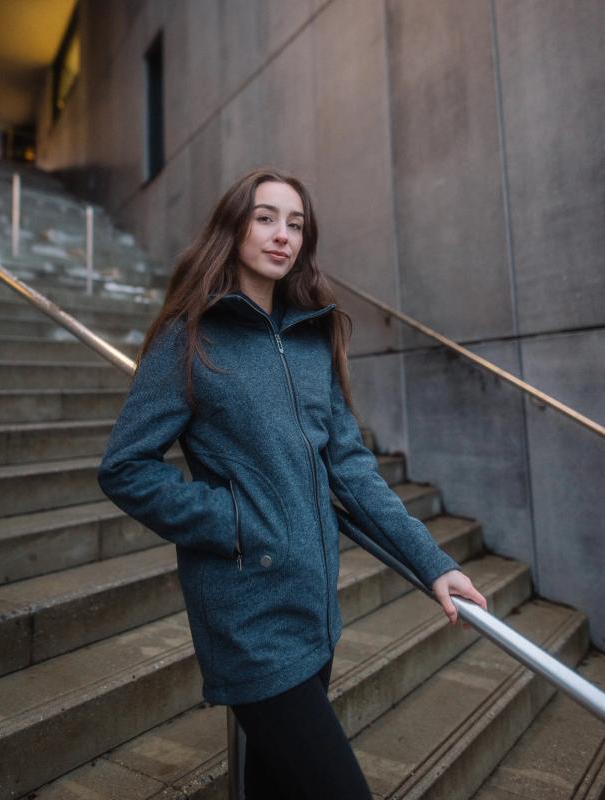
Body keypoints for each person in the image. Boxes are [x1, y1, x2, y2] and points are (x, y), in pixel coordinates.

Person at [97, 167, 488, 799]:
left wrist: (432, 563)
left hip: (315, 612)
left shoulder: (311, 338)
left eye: (296, 224)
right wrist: (235, 521)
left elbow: (351, 469)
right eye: (266, 218)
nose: (283, 235)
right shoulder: (189, 336)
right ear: (234, 228)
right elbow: (125, 467)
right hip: (249, 616)